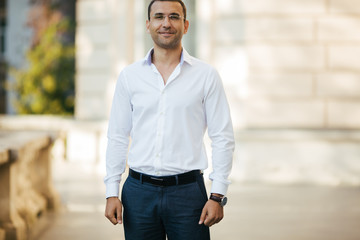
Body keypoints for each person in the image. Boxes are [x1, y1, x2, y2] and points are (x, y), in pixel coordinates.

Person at [104, 0, 235, 239]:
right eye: (159, 17)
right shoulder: (129, 77)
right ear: (148, 25)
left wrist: (217, 195)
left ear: (186, 25)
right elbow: (117, 136)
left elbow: (223, 137)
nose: (166, 23)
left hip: (188, 194)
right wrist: (111, 192)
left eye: (174, 17)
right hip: (138, 193)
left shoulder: (206, 76)